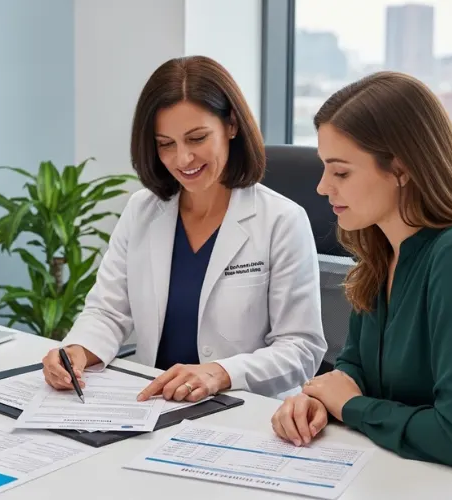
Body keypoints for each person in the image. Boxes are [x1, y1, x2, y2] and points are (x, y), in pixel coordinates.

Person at [270, 71, 452, 471]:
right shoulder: (381, 248)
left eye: (341, 172)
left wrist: (350, 406)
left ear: (401, 168)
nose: (321, 187)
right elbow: (354, 368)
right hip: (413, 468)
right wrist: (315, 400)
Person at [42, 55, 326, 401]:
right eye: (166, 144)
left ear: (231, 125)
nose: (182, 159)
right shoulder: (141, 211)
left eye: (196, 138)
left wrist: (220, 373)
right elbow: (108, 310)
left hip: (247, 410)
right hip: (155, 408)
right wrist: (78, 351)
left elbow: (301, 348)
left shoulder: (282, 220)